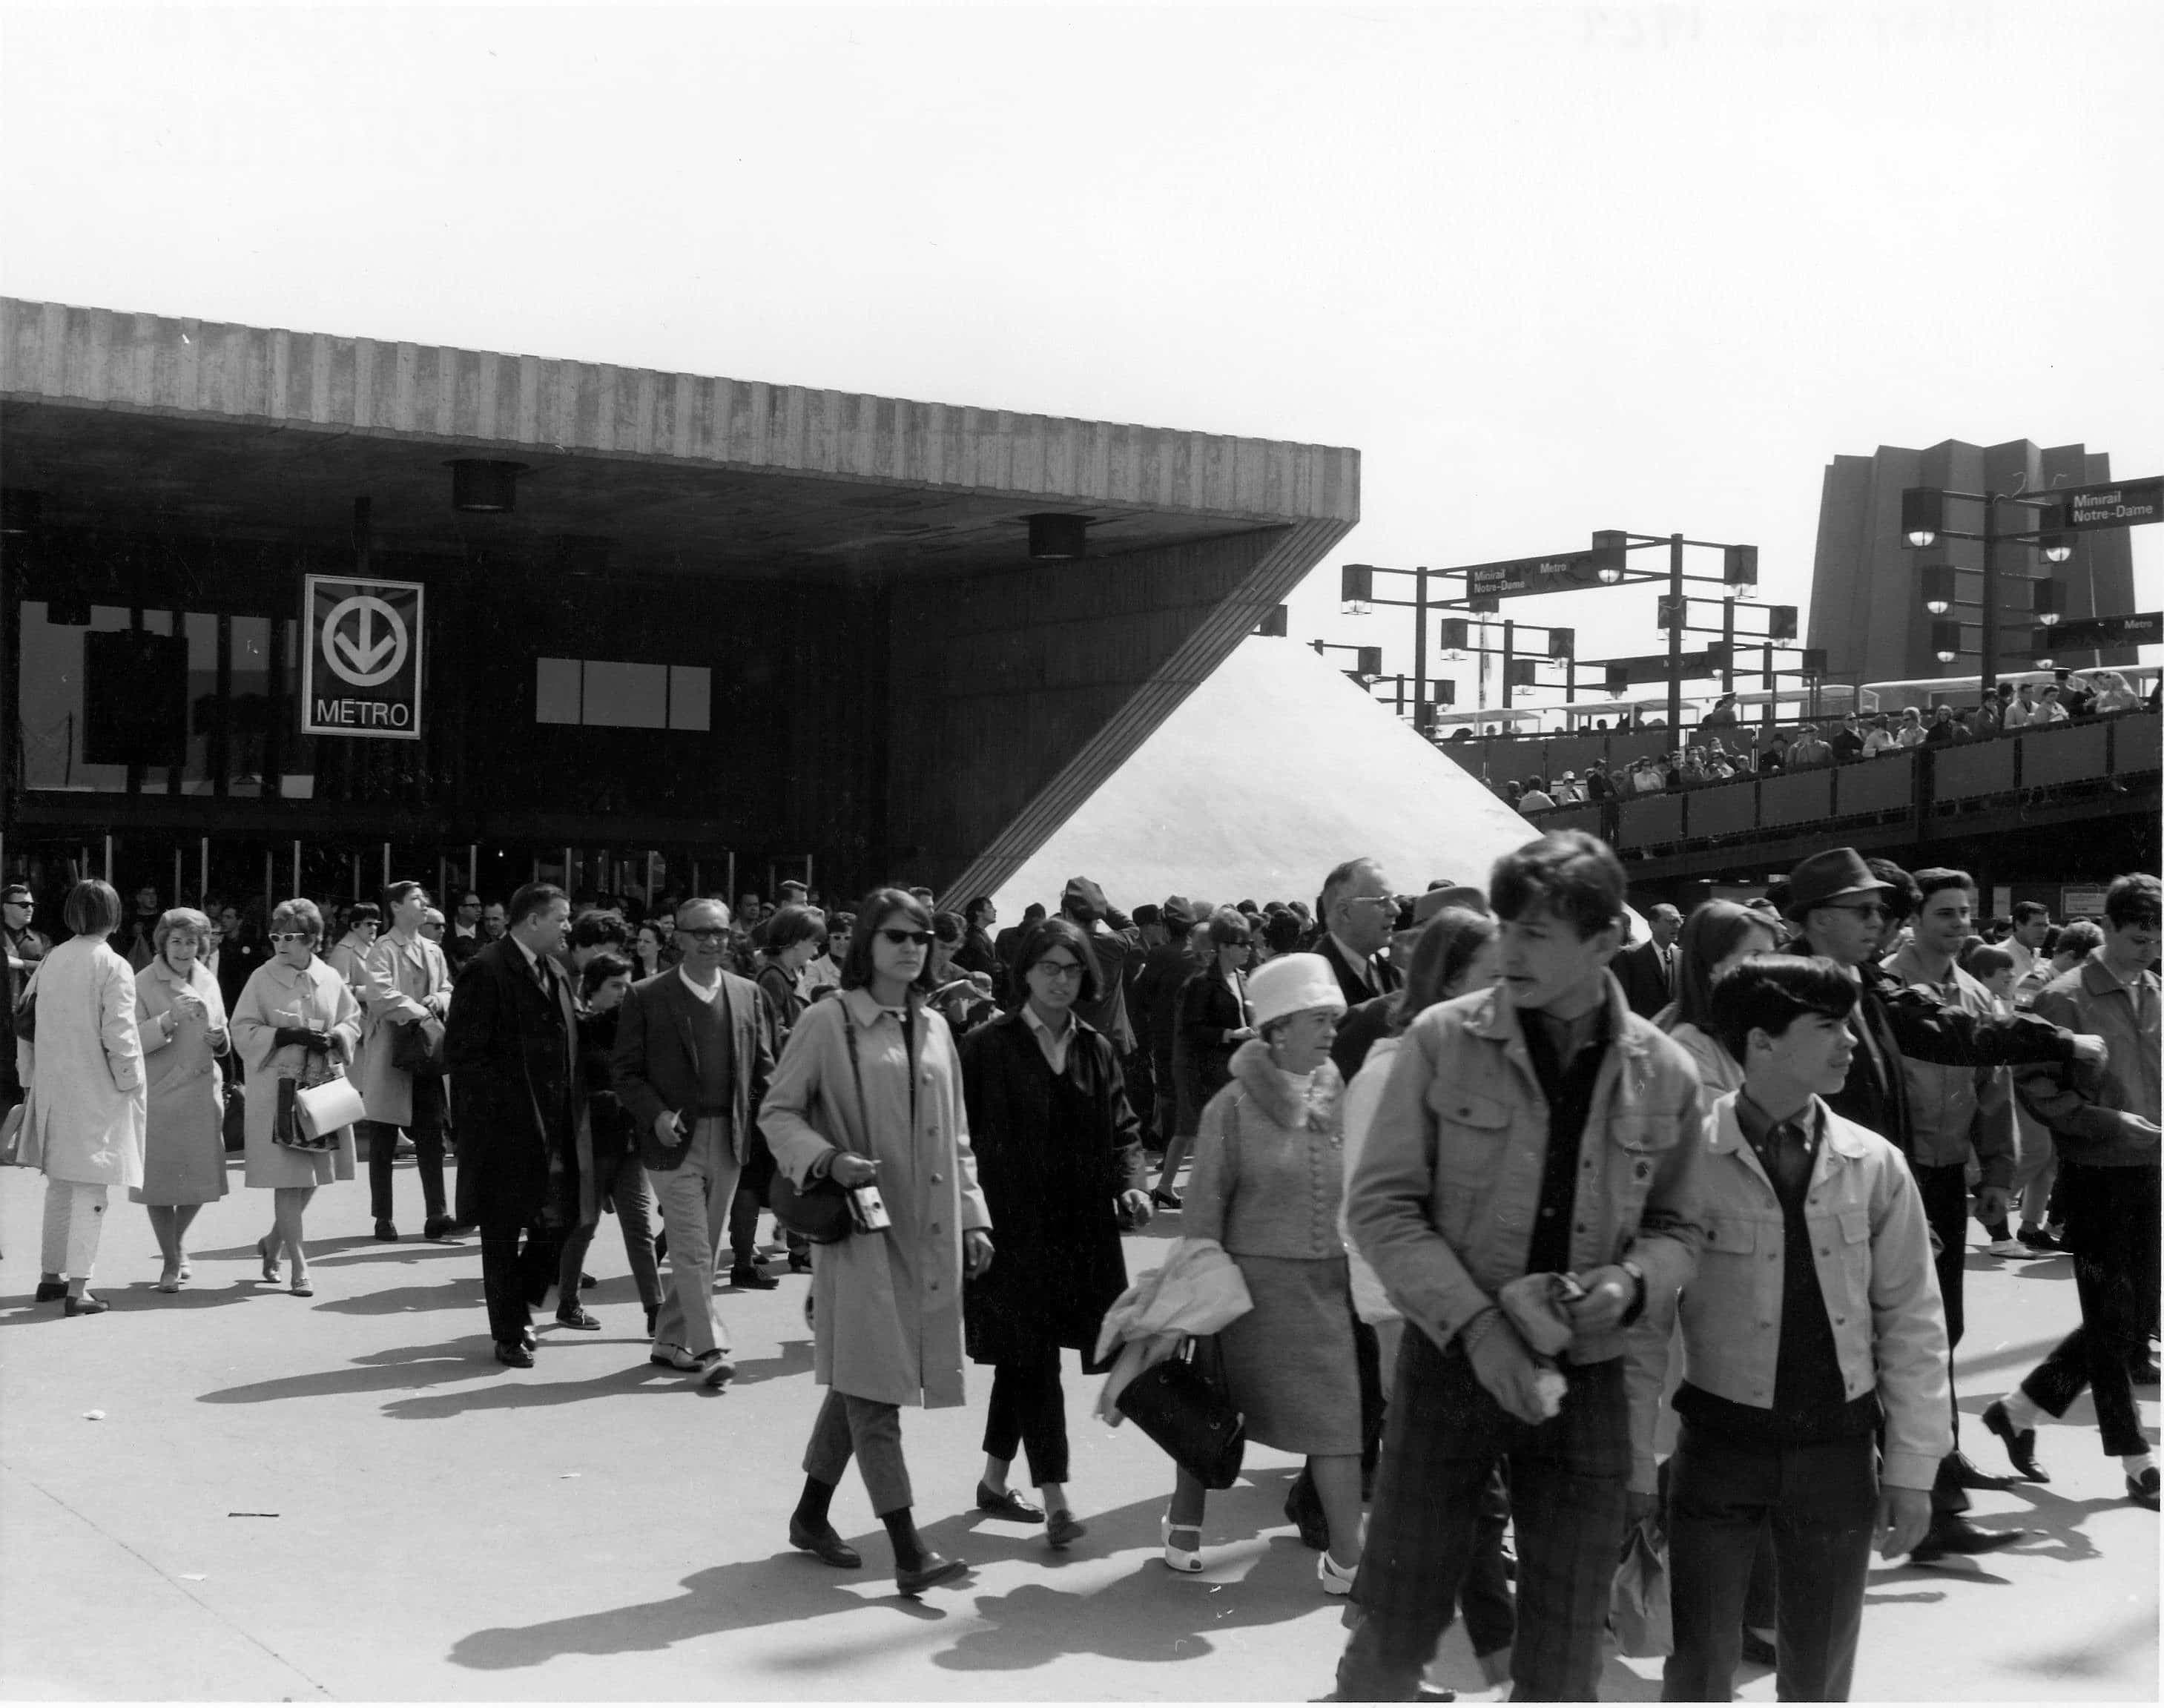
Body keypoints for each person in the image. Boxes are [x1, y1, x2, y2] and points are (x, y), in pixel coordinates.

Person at [1334, 831, 1706, 1703]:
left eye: (1536, 933)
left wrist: (1629, 1282)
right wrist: (1475, 1325)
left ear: (1606, 940)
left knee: (1568, 1638)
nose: (1507, 950)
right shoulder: (1439, 1039)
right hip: (1447, 1369)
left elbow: (1681, 1222)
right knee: (1395, 1627)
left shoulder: (1665, 1070)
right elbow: (1380, 1207)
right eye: (1505, 926)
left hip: (1588, 1380)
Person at [1781, 846, 2105, 1560]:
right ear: (1815, 918)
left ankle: (1924, 1504)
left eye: (1884, 909)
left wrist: (2051, 1039)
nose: (1880, 921)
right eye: (1864, 910)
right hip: (1809, 1207)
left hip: (1872, 1194)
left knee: (1907, 1343)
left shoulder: (1861, 983)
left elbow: (1951, 1031)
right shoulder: (1785, 989)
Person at [1656, 955, 1949, 1702]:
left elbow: (1912, 1321)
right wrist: (1634, 1461)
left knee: (1817, 1670)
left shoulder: (1873, 1164)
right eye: (1827, 1026)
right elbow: (1641, 1328)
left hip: (1836, 1451)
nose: (1850, 1041)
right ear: (1760, 1041)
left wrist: (1912, 1469)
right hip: (1717, 1449)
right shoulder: (1682, 1156)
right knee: (1697, 1660)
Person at [762, 889, 994, 1597]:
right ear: (865, 942)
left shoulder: (934, 1028)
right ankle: (908, 1548)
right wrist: (827, 1159)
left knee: (866, 1372)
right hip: (861, 1230)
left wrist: (972, 1213)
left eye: (920, 936)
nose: (910, 946)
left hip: (926, 1232)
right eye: (894, 934)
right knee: (876, 1391)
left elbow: (957, 1134)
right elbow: (777, 1111)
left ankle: (809, 1514)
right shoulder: (827, 1020)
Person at [1341, 906, 1511, 1692]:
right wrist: (1387, 1323)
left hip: (1482, 1310)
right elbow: (1366, 1211)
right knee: (1467, 1497)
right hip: (1417, 1316)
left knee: (1447, 1497)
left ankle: (1372, 1660)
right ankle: (1510, 1662)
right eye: (1491, 976)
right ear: (1446, 981)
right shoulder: (1388, 1069)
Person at [1165, 953, 1363, 1593]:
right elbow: (1201, 1212)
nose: (1332, 1030)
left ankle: (1349, 1558)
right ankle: (1184, 1523)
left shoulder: (1340, 1095)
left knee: (1338, 1423)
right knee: (1213, 1411)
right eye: (1317, 1019)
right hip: (1244, 1295)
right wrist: (1200, 1297)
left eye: (1333, 1018)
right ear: (1277, 1029)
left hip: (1326, 1290)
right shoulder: (1231, 1106)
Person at [960, 914, 1151, 1549]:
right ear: (1026, 974)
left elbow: (1125, 1129)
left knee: (1024, 1357)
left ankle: (993, 1480)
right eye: (1049, 968)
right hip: (1008, 1233)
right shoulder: (988, 1045)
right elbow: (960, 1140)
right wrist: (966, 1217)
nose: (1061, 980)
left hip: (1080, 1232)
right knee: (1033, 1356)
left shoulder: (1097, 1047)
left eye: (1072, 970)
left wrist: (1133, 1182)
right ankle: (1056, 1496)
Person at [1988, 874, 2162, 1508]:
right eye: (2139, 936)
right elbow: (2036, 1090)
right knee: (2114, 1320)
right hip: (2092, 1175)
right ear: (2109, 928)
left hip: (2149, 1170)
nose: (2150, 948)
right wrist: (2108, 1122)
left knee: (2128, 1317)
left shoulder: (2154, 991)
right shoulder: (2063, 999)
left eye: (2158, 936)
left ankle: (2019, 1408)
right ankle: (2137, 1460)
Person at [610, 897, 774, 1385]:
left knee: (704, 1243)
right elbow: (625, 1072)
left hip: (729, 1137)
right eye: (700, 932)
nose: (712, 941)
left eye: (721, 932)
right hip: (672, 1139)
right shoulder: (647, 995)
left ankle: (668, 1341)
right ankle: (710, 1347)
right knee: (692, 1247)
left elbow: (764, 1068)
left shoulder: (748, 994)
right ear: (676, 938)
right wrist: (656, 1113)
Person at [444, 883, 581, 1368]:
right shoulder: (486, 969)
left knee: (563, 1220)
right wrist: (497, 1115)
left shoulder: (556, 972)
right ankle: (508, 1331)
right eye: (562, 918)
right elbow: (463, 1056)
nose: (568, 927)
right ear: (533, 921)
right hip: (505, 1132)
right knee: (502, 1234)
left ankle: (517, 1301)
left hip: (556, 1128)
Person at [18, 880, 147, 1316]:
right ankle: (79, 1289)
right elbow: (121, 1034)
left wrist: (29, 1077)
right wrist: (131, 1082)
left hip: (52, 1086)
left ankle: (51, 1277)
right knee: (91, 1190)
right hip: (96, 1088)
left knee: (59, 1185)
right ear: (113, 916)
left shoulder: (51, 958)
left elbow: (25, 1023)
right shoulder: (113, 964)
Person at [231, 897, 363, 1301]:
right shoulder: (261, 978)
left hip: (321, 1088)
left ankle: (273, 1242)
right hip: (277, 1093)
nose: (280, 944)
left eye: (290, 937)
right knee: (288, 1182)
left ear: (313, 940)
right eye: (276, 936)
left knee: (312, 1178)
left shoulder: (329, 976)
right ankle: (299, 1266)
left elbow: (352, 1019)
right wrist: (284, 1036)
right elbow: (241, 1028)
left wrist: (336, 1037)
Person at [555, 951, 663, 1334]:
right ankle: (568, 1302)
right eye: (615, 986)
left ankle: (655, 1311)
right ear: (593, 989)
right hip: (590, 1144)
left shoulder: (636, 1030)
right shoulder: (578, 1029)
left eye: (628, 985)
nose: (624, 993)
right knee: (583, 1225)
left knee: (639, 1227)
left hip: (630, 1144)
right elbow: (569, 1089)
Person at [131, 908, 231, 1292]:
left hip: (202, 1094)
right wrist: (168, 1020)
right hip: (159, 1093)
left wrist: (221, 1042)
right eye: (176, 941)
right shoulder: (141, 981)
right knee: (158, 1185)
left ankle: (175, 1246)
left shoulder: (207, 979)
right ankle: (171, 1261)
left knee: (201, 1182)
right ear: (162, 943)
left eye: (192, 942)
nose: (184, 949)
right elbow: (132, 1040)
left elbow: (222, 1031)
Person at [354, 880, 456, 1244]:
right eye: (416, 898)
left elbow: (446, 988)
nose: (424, 903)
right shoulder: (382, 949)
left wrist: (438, 1002)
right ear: (396, 907)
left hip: (426, 1051)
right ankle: (383, 1216)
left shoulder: (432, 949)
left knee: (431, 1134)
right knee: (383, 1137)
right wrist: (420, 1010)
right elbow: (381, 996)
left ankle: (437, 1213)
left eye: (424, 898)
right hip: (391, 1051)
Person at [1155, 907, 1254, 1210]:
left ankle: (1165, 1187)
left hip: (1228, 1066)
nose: (1248, 949)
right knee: (1201, 1128)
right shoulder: (1199, 984)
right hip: (1200, 1068)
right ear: (1223, 946)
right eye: (1242, 944)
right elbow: (1192, 1029)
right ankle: (1211, 1194)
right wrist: (1231, 1034)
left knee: (1192, 1129)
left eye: (1249, 943)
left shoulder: (1242, 978)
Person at [1659, 900, 1782, 1112]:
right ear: (1712, 966)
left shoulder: (1754, 1031)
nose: (1770, 969)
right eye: (1755, 956)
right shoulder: (1689, 1046)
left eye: (1772, 957)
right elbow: (1722, 1135)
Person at [1316, 857, 1401, 1009]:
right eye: (1382, 902)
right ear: (1345, 912)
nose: (1396, 910)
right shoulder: (1314, 986)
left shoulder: (1395, 976)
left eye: (1394, 900)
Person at [1614, 901, 1683, 1019]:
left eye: (1679, 920)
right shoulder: (1631, 956)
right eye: (1670, 921)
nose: (1677, 926)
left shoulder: (1682, 957)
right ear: (1652, 925)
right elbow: (1621, 1002)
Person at [323, 903, 381, 986]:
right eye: (369, 924)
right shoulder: (343, 950)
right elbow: (338, 989)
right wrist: (369, 993)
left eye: (377, 924)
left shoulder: (374, 948)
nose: (374, 928)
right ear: (354, 926)